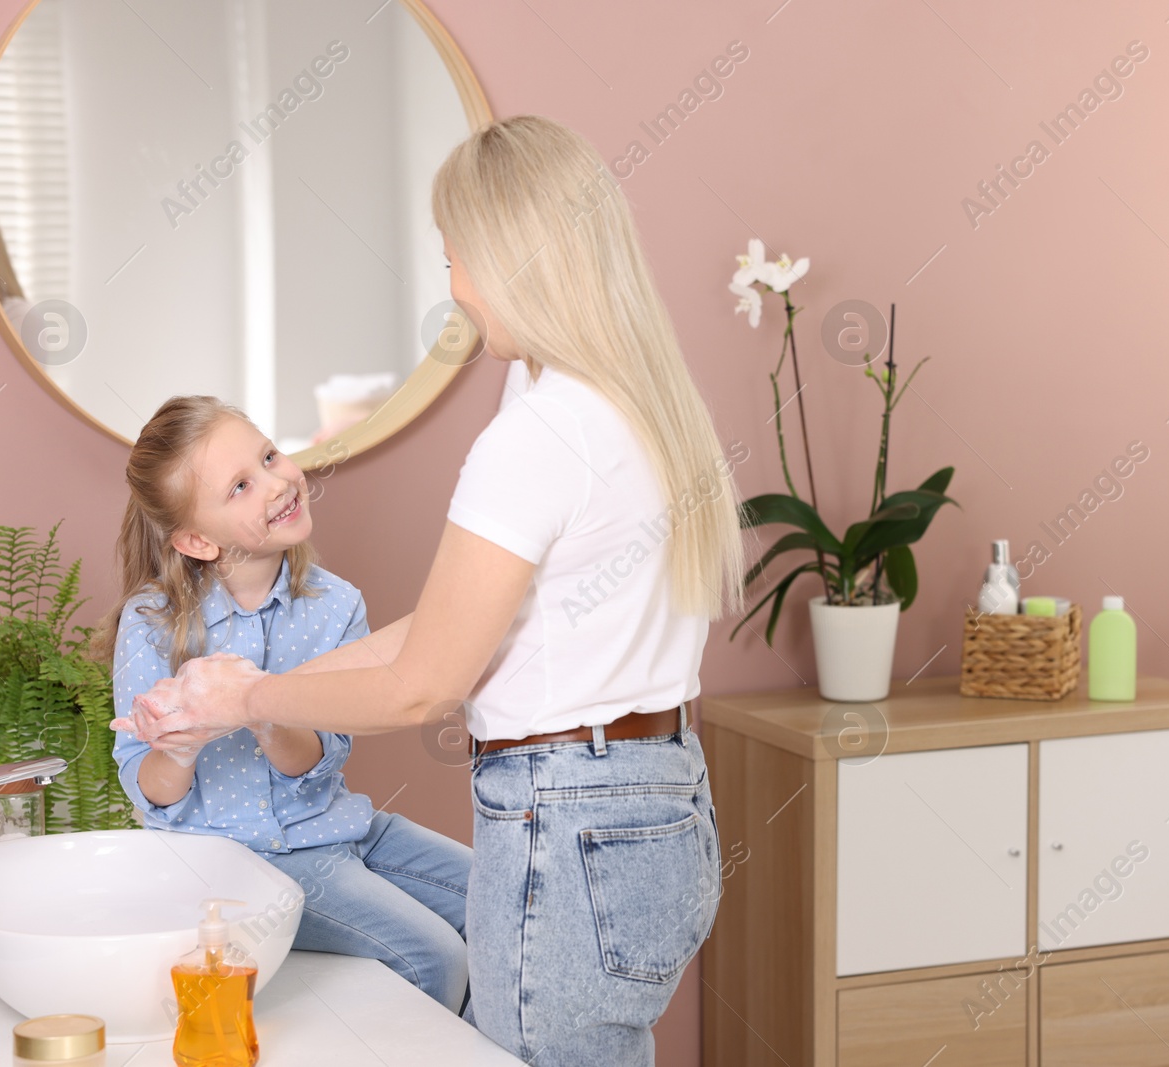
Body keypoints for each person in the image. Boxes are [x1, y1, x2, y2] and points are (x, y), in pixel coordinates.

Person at [115, 114, 748, 1067]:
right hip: (657, 802)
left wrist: (245, 696)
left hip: (565, 817)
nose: (451, 284)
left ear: (503, 260)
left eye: (454, 257)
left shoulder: (535, 437)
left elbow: (423, 683)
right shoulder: (634, 400)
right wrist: (230, 692)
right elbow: (450, 628)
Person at [90, 395, 473, 1015]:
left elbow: (319, 759)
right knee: (434, 955)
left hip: (342, 826)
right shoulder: (153, 623)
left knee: (509, 903)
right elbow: (151, 789)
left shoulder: (336, 604)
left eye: (268, 457)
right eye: (241, 486)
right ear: (195, 539)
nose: (276, 483)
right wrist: (177, 751)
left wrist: (257, 710)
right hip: (241, 864)